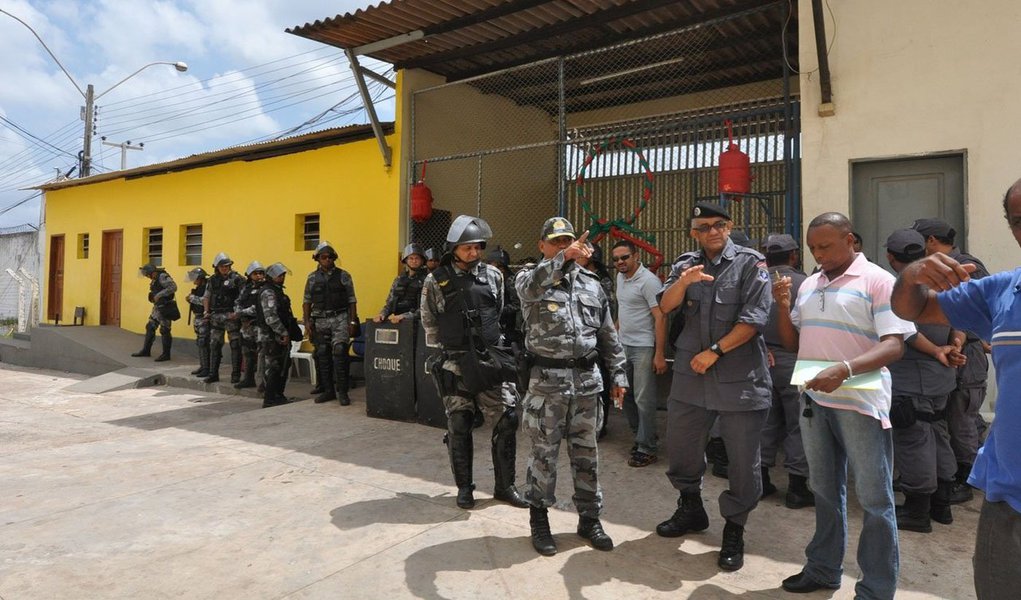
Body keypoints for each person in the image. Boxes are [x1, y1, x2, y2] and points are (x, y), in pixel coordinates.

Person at [772, 212, 914, 599]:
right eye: (813, 248)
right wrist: (782, 307)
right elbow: (792, 343)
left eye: (826, 246)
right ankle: (822, 569)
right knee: (823, 489)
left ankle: (876, 588)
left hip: (861, 403)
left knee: (874, 499)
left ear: (850, 239)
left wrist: (845, 369)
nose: (818, 255)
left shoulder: (879, 281)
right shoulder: (810, 284)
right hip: (815, 401)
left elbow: (894, 344)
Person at [892, 179, 1021, 599]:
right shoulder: (1000, 289)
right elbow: (910, 307)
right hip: (1009, 497)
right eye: (1020, 221)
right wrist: (913, 275)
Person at [655, 202, 772, 572]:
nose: (713, 232)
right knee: (682, 447)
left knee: (741, 461)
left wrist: (716, 350)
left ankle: (735, 528)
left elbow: (755, 319)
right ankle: (691, 508)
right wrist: (684, 282)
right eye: (704, 227)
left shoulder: (751, 263)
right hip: (692, 378)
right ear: (694, 232)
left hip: (739, 377)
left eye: (719, 224)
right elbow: (665, 305)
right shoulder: (685, 264)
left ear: (729, 225)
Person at [516, 217, 627, 556]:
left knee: (587, 456)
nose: (564, 246)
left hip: (586, 384)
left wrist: (618, 374)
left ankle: (589, 519)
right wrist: (562, 261)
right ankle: (540, 521)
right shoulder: (530, 279)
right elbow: (527, 289)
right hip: (547, 386)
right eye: (557, 242)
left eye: (568, 241)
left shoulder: (593, 284)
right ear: (542, 246)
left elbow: (607, 334)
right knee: (543, 457)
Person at [420, 215, 528, 511]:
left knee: (507, 420)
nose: (474, 252)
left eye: (478, 247)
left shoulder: (493, 275)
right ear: (453, 248)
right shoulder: (436, 280)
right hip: (455, 361)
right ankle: (464, 488)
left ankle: (505, 487)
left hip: (491, 358)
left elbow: (498, 308)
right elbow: (428, 319)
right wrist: (449, 347)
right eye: (467, 247)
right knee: (460, 422)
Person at [884, 229, 963, 533]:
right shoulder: (945, 285)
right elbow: (960, 322)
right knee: (939, 434)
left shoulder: (900, 289)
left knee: (914, 441)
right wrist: (954, 347)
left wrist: (939, 350)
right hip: (942, 379)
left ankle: (918, 511)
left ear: (892, 258)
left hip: (911, 380)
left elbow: (905, 332)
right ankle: (942, 504)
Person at [912, 217, 991, 503]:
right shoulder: (937, 269)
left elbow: (981, 308)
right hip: (949, 349)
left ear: (931, 241)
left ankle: (965, 480)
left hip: (966, 351)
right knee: (952, 417)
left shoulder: (968, 265)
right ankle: (961, 472)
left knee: (962, 418)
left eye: (920, 241)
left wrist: (964, 339)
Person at [759, 233, 814, 509]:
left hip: (761, 358)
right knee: (798, 423)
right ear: (794, 255)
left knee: (765, 420)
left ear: (765, 255)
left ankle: (761, 479)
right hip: (798, 357)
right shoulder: (807, 284)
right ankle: (797, 486)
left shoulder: (754, 281)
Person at [611, 240, 667, 467]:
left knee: (644, 399)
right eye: (615, 259)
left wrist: (659, 353)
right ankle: (642, 435)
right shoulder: (620, 278)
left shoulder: (649, 282)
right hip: (623, 345)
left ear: (636, 256)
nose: (620, 262)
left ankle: (647, 448)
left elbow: (661, 317)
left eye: (624, 257)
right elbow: (624, 310)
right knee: (625, 396)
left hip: (643, 347)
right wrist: (614, 334)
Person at [302, 241, 358, 405]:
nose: (327, 260)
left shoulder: (343, 275)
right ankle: (328, 391)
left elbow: (352, 300)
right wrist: (306, 322)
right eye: (323, 257)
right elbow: (306, 301)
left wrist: (353, 321)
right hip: (319, 320)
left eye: (330, 257)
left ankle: (343, 392)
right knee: (323, 354)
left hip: (340, 318)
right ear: (318, 259)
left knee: (340, 352)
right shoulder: (312, 278)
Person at [257, 262, 297, 409]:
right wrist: (283, 332)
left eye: (283, 275)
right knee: (274, 366)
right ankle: (269, 398)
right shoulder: (269, 292)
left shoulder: (277, 290)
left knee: (283, 365)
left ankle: (279, 395)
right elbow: (271, 317)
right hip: (272, 337)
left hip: (278, 335)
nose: (283, 278)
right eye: (280, 275)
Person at [202, 253, 245, 384]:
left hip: (231, 316)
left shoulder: (237, 279)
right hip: (216, 316)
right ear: (217, 267)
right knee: (215, 345)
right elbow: (207, 296)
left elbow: (243, 297)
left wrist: (237, 313)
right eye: (222, 266)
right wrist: (206, 312)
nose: (225, 268)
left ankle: (236, 374)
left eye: (227, 266)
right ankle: (213, 374)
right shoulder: (212, 280)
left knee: (235, 345)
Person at [131, 263, 178, 361]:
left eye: (147, 274)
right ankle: (146, 350)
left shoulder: (162, 276)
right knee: (150, 326)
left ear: (152, 272)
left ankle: (166, 354)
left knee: (165, 330)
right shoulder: (155, 279)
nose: (147, 277)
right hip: (158, 307)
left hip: (166, 307)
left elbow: (173, 287)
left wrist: (159, 295)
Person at [374, 244, 427, 324]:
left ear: (422, 261)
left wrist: (404, 316)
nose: (414, 261)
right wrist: (382, 314)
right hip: (398, 323)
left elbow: (426, 308)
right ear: (405, 260)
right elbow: (390, 303)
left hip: (420, 324)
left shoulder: (427, 280)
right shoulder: (399, 280)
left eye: (417, 258)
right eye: (411, 258)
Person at [234, 261, 266, 390]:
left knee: (262, 353)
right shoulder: (246, 288)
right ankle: (248, 378)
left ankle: (262, 382)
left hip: (259, 324)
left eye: (261, 273)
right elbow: (238, 301)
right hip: (247, 325)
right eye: (255, 273)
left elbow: (258, 308)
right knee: (247, 351)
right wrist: (238, 311)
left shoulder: (265, 288)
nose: (259, 276)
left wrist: (240, 312)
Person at [484, 246, 523, 348]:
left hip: (508, 325)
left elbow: (517, 304)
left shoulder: (510, 280)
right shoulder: (491, 278)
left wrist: (499, 310)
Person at [185, 267, 210, 377]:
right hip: (198, 318)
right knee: (200, 343)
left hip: (204, 319)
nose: (193, 280)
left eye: (195, 278)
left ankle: (207, 368)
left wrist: (192, 298)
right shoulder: (199, 288)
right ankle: (203, 365)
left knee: (203, 343)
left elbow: (205, 301)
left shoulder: (207, 288)